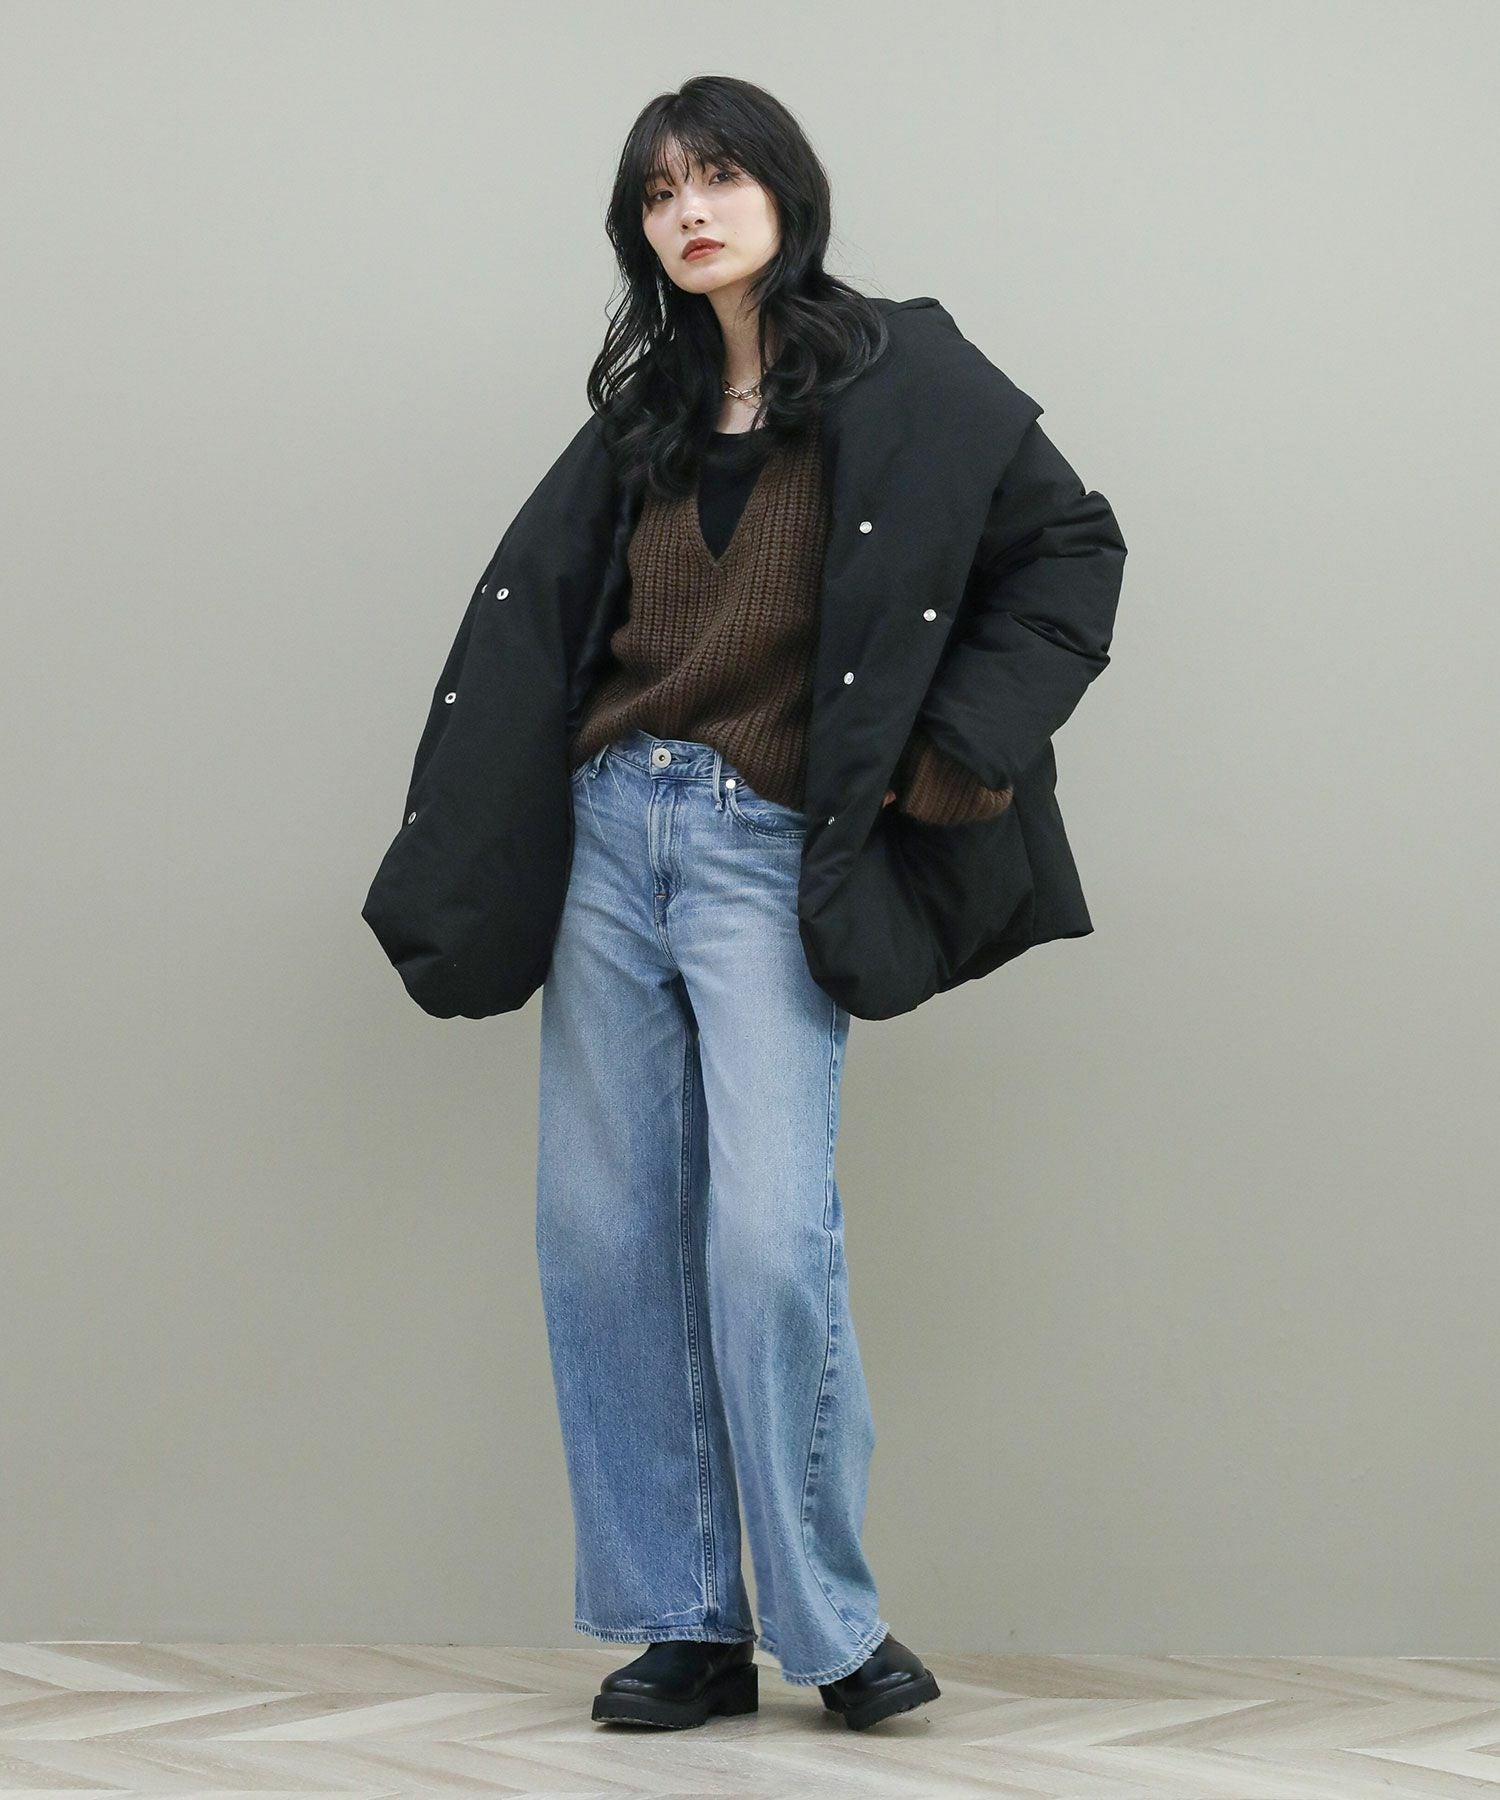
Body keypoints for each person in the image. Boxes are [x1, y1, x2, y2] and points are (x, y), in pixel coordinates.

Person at [519, 77, 1128, 1732]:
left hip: (761, 846)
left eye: (718, 178)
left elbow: (1072, 551)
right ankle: (686, 1623)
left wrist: (960, 753)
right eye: (660, 194)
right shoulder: (647, 408)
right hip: (610, 835)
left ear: (786, 191)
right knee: (605, 1236)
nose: (691, 212)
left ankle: (831, 1624)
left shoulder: (904, 371)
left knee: (769, 1238)